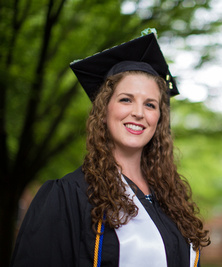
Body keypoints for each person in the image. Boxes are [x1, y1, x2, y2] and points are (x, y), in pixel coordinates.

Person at [11, 31, 210, 267]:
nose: (138, 112)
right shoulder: (69, 196)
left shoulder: (170, 199)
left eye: (150, 104)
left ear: (158, 118)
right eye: (126, 99)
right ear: (104, 110)